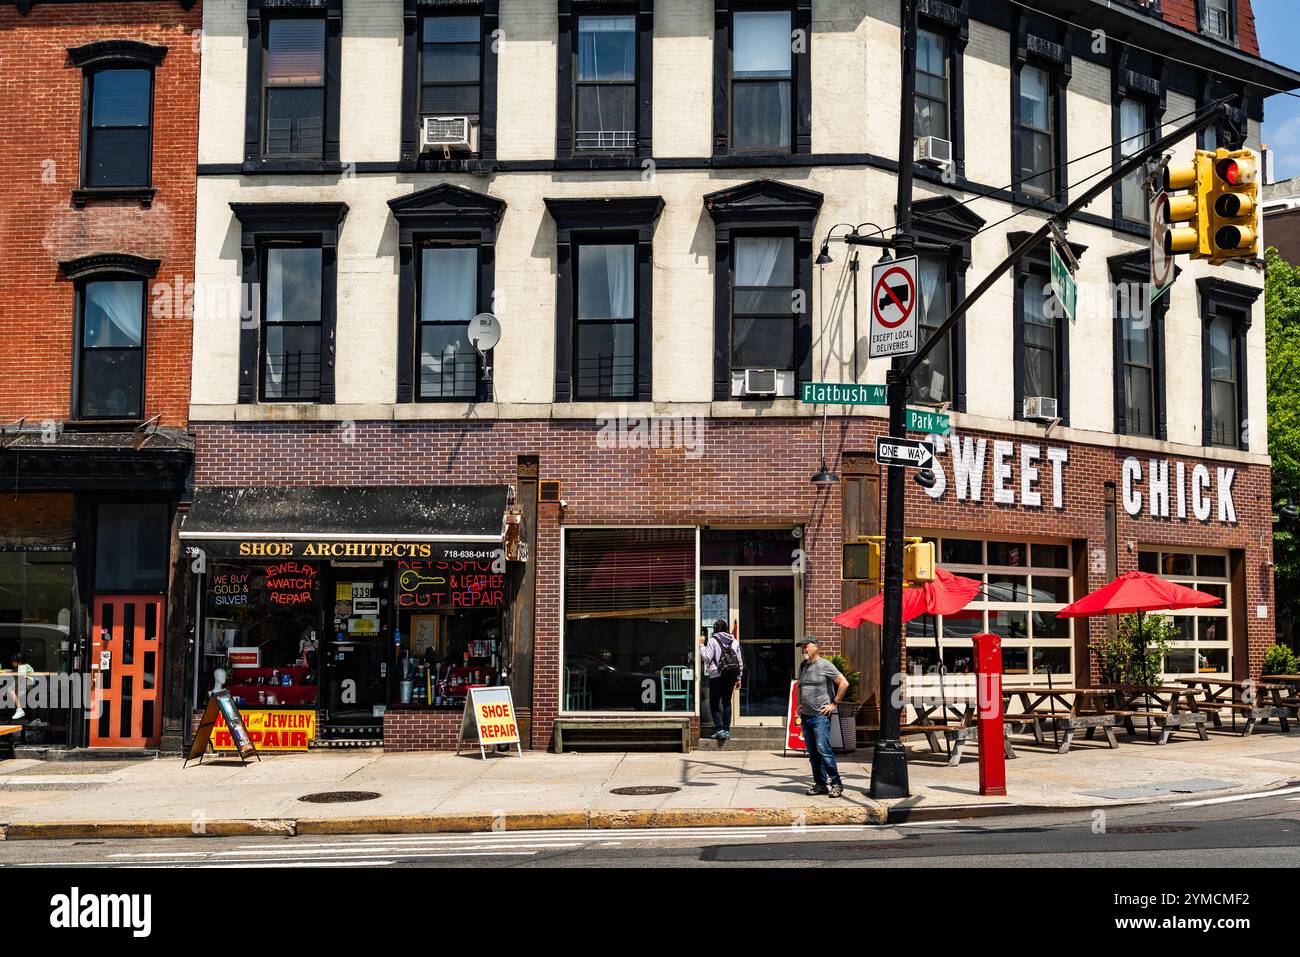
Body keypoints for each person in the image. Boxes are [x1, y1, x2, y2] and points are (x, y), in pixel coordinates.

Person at [797, 638, 849, 797]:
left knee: (823, 750)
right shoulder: (803, 666)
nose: (803, 649)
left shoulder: (825, 665)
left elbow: (844, 683)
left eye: (806, 646)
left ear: (816, 648)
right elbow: (802, 685)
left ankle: (836, 783)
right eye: (802, 647)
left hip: (820, 716)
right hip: (806, 716)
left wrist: (834, 703)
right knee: (813, 754)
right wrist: (800, 704)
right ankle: (820, 784)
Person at [700, 620, 743, 739]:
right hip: (731, 675)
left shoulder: (713, 640)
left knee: (714, 703)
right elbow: (739, 661)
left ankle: (719, 729)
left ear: (714, 629)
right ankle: (726, 730)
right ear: (726, 628)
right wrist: (738, 678)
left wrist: (701, 645)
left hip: (716, 675)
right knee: (726, 702)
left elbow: (707, 658)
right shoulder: (734, 641)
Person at [9, 653, 34, 721]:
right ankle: (19, 711)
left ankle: (19, 709)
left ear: (19, 662)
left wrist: (15, 688)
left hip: (26, 684)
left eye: (13, 662)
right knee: (13, 693)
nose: (12, 663)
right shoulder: (25, 666)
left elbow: (23, 679)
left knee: (10, 690)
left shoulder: (23, 667)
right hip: (26, 684)